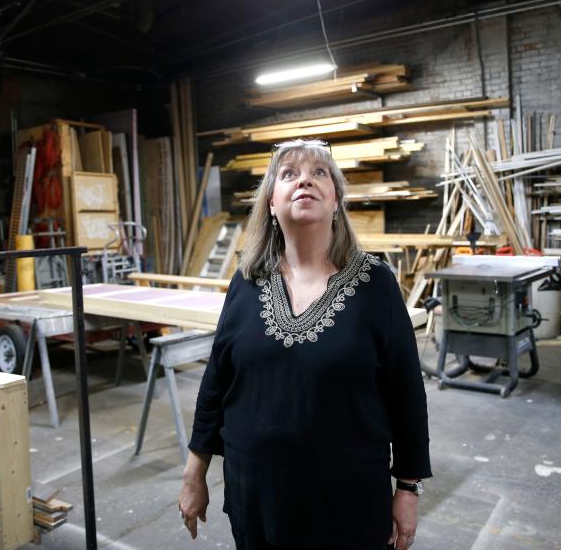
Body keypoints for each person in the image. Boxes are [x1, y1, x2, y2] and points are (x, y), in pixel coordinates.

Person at [178, 139, 431, 550]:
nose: (305, 182)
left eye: (319, 173)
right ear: (272, 204)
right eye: (289, 174)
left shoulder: (375, 283)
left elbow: (406, 393)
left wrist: (407, 488)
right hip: (255, 495)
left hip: (346, 502)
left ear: (336, 200)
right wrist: (195, 472)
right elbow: (216, 382)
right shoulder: (247, 280)